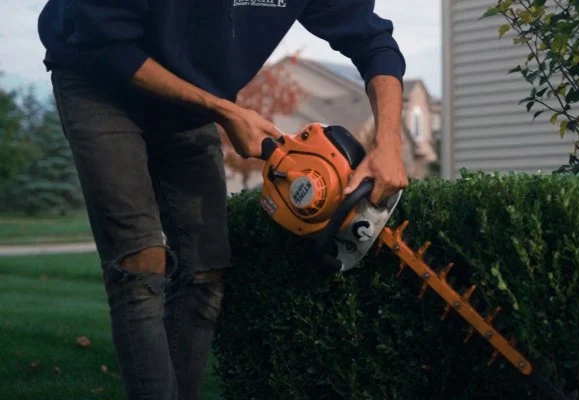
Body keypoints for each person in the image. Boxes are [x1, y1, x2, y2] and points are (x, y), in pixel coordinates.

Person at [36, 0, 408, 398]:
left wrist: (388, 142)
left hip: (188, 98)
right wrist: (222, 109)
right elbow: (102, 42)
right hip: (100, 80)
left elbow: (372, 40)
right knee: (140, 265)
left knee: (205, 270)